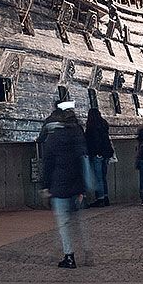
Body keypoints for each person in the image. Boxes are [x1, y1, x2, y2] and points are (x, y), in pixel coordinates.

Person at [40, 98, 90, 268]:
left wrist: (45, 186)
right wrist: (83, 188)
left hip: (59, 187)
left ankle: (69, 256)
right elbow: (82, 163)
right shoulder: (78, 138)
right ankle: (87, 252)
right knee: (79, 223)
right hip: (76, 186)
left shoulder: (53, 138)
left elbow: (47, 164)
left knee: (64, 224)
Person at [82, 99, 114, 207]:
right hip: (105, 154)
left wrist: (95, 152)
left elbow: (93, 141)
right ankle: (105, 197)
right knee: (103, 177)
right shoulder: (104, 126)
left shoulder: (92, 127)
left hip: (97, 154)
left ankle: (100, 199)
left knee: (98, 177)